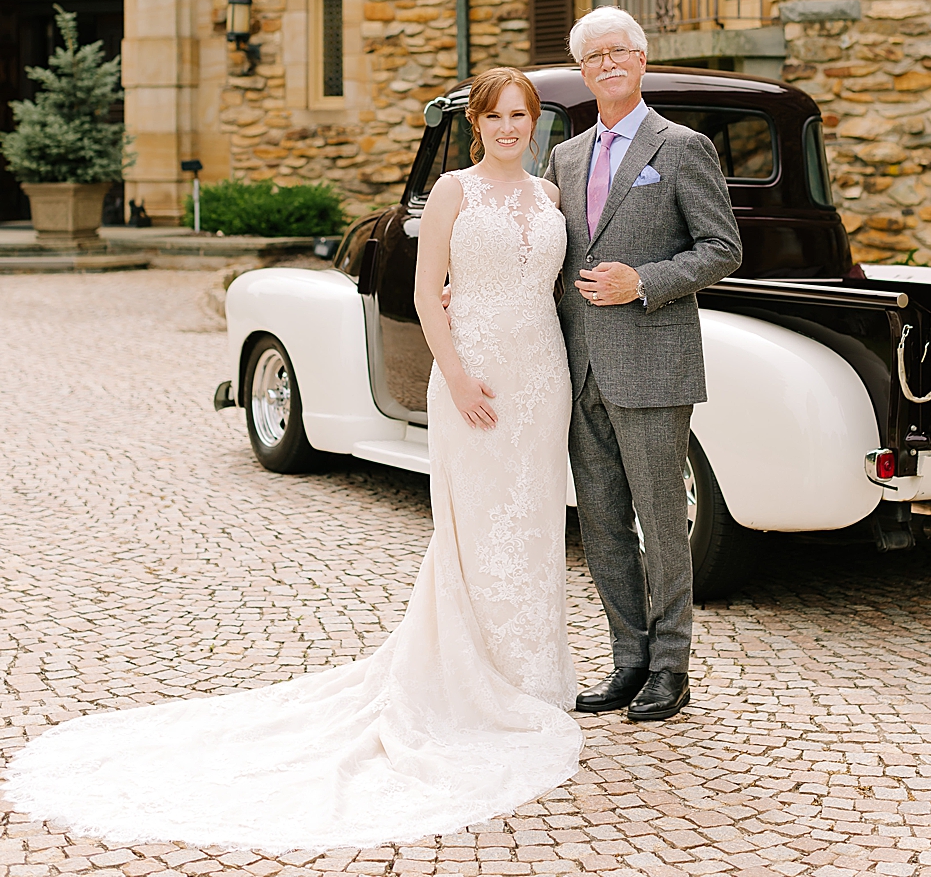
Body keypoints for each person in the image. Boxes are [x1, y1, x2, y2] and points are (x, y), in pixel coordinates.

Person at [4, 67, 582, 849]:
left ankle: (534, 679)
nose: (511, 127)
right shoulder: (452, 192)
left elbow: (552, 286)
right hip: (472, 374)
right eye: (497, 116)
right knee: (475, 528)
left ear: (535, 121)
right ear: (476, 124)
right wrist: (456, 374)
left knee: (539, 521)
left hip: (541, 376)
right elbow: (423, 294)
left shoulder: (548, 197)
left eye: (523, 115)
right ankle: (471, 684)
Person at [547, 6, 743, 723]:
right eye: (593, 56)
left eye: (619, 51)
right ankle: (628, 658)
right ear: (583, 71)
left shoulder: (682, 145)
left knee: (663, 522)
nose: (608, 64)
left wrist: (646, 281)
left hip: (653, 361)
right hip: (580, 366)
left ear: (642, 57)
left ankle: (670, 668)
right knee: (601, 523)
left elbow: (723, 249)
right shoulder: (565, 158)